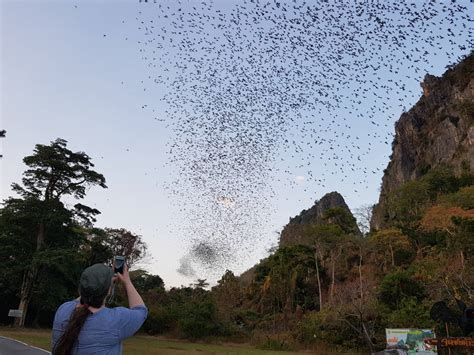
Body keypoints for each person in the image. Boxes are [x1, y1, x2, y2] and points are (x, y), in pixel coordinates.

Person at [52, 263, 148, 355]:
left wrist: (102, 281)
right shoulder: (115, 321)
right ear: (109, 291)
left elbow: (84, 296)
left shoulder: (63, 310)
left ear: (80, 288)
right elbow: (141, 310)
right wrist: (127, 281)